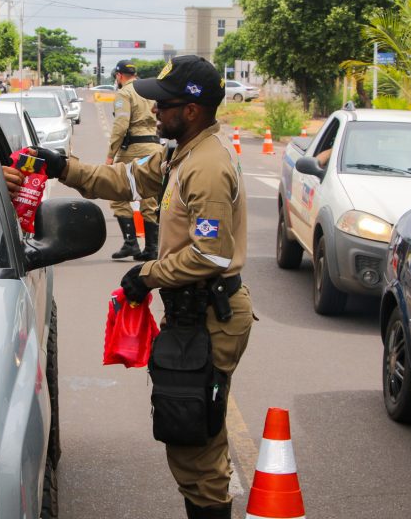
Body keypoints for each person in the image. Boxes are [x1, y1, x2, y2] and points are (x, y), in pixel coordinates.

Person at [30, 55, 254, 519]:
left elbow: (210, 253)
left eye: (163, 105)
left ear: (190, 111)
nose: (154, 111)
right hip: (192, 313)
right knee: (190, 437)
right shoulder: (180, 154)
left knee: (196, 441)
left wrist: (147, 274)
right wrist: (61, 168)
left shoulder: (207, 167)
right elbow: (123, 179)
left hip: (211, 316)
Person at [106, 59, 163, 261]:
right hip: (155, 147)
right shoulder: (149, 92)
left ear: (119, 76)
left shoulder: (124, 93)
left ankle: (131, 243)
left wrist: (111, 154)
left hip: (133, 148)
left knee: (117, 189)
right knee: (149, 196)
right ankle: (151, 248)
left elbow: (121, 125)